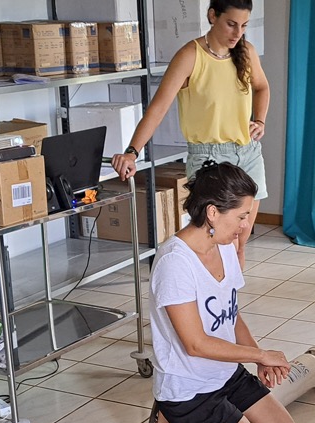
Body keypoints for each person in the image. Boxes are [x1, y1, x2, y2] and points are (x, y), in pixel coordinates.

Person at [143, 161, 300, 423]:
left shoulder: (223, 244)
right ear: (213, 213)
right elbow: (195, 344)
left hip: (226, 373)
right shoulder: (175, 263)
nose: (246, 225)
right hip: (189, 389)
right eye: (242, 216)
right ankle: (174, 419)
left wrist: (259, 357)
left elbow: (231, 313)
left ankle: (215, 422)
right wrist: (259, 356)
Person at [110, 0, 269, 268]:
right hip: (210, 158)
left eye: (243, 26)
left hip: (248, 153)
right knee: (215, 245)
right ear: (212, 16)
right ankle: (199, 303)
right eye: (231, 24)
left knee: (239, 244)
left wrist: (260, 120)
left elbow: (262, 87)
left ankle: (226, 307)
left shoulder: (246, 52)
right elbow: (158, 108)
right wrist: (132, 151)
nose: (237, 33)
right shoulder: (190, 56)